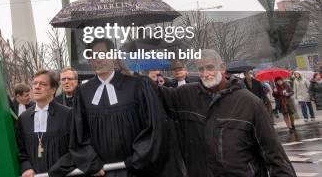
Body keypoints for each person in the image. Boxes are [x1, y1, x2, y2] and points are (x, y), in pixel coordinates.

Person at [159, 50, 295, 177]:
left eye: (210, 67)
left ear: (222, 67)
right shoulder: (186, 95)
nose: (206, 74)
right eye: (201, 69)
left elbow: (275, 155)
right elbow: (153, 95)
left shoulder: (250, 103)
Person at [69, 38, 185, 176]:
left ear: (113, 56)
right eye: (92, 56)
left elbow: (154, 127)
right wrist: (91, 163)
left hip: (136, 170)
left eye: (102, 54)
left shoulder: (137, 86)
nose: (98, 59)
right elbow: (79, 134)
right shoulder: (83, 92)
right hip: (101, 172)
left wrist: (137, 159)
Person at [17, 70, 72, 177]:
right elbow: (21, 150)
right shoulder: (24, 118)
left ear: (53, 90)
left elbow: (76, 148)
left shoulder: (67, 114)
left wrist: (59, 168)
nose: (37, 87)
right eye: (35, 83)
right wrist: (26, 167)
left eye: (43, 84)